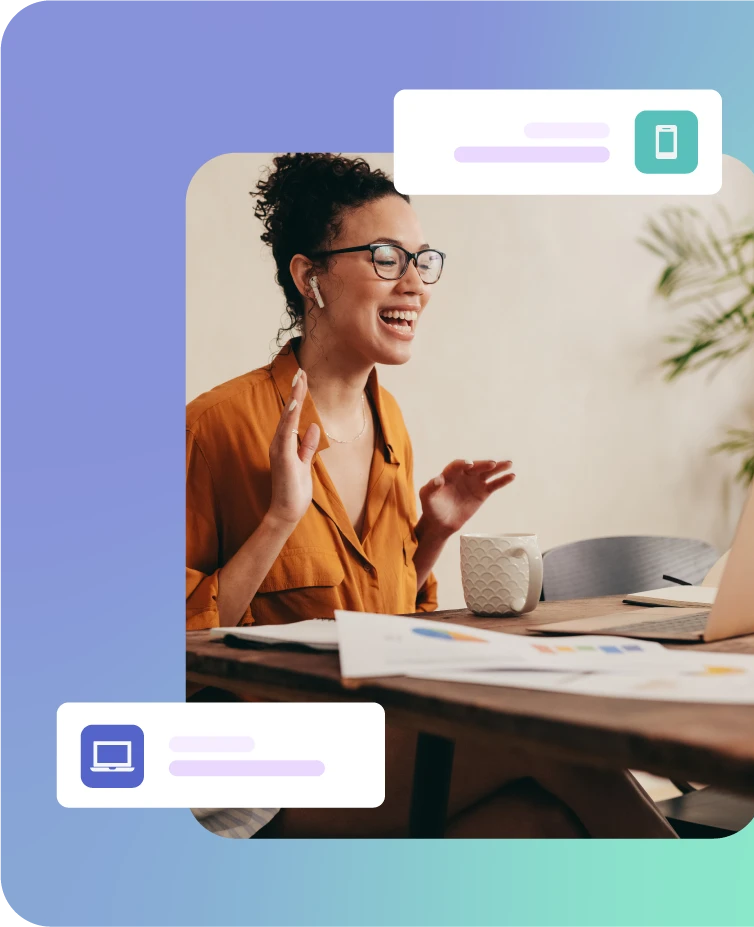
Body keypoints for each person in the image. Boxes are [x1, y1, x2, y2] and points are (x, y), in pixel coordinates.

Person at [186, 153, 676, 838]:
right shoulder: (215, 425)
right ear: (309, 276)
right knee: (545, 739)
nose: (415, 283)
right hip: (250, 777)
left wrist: (430, 537)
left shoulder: (392, 432)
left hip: (373, 734)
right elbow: (169, 643)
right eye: (385, 257)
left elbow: (375, 624)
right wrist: (279, 518)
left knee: (541, 825)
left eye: (422, 259)